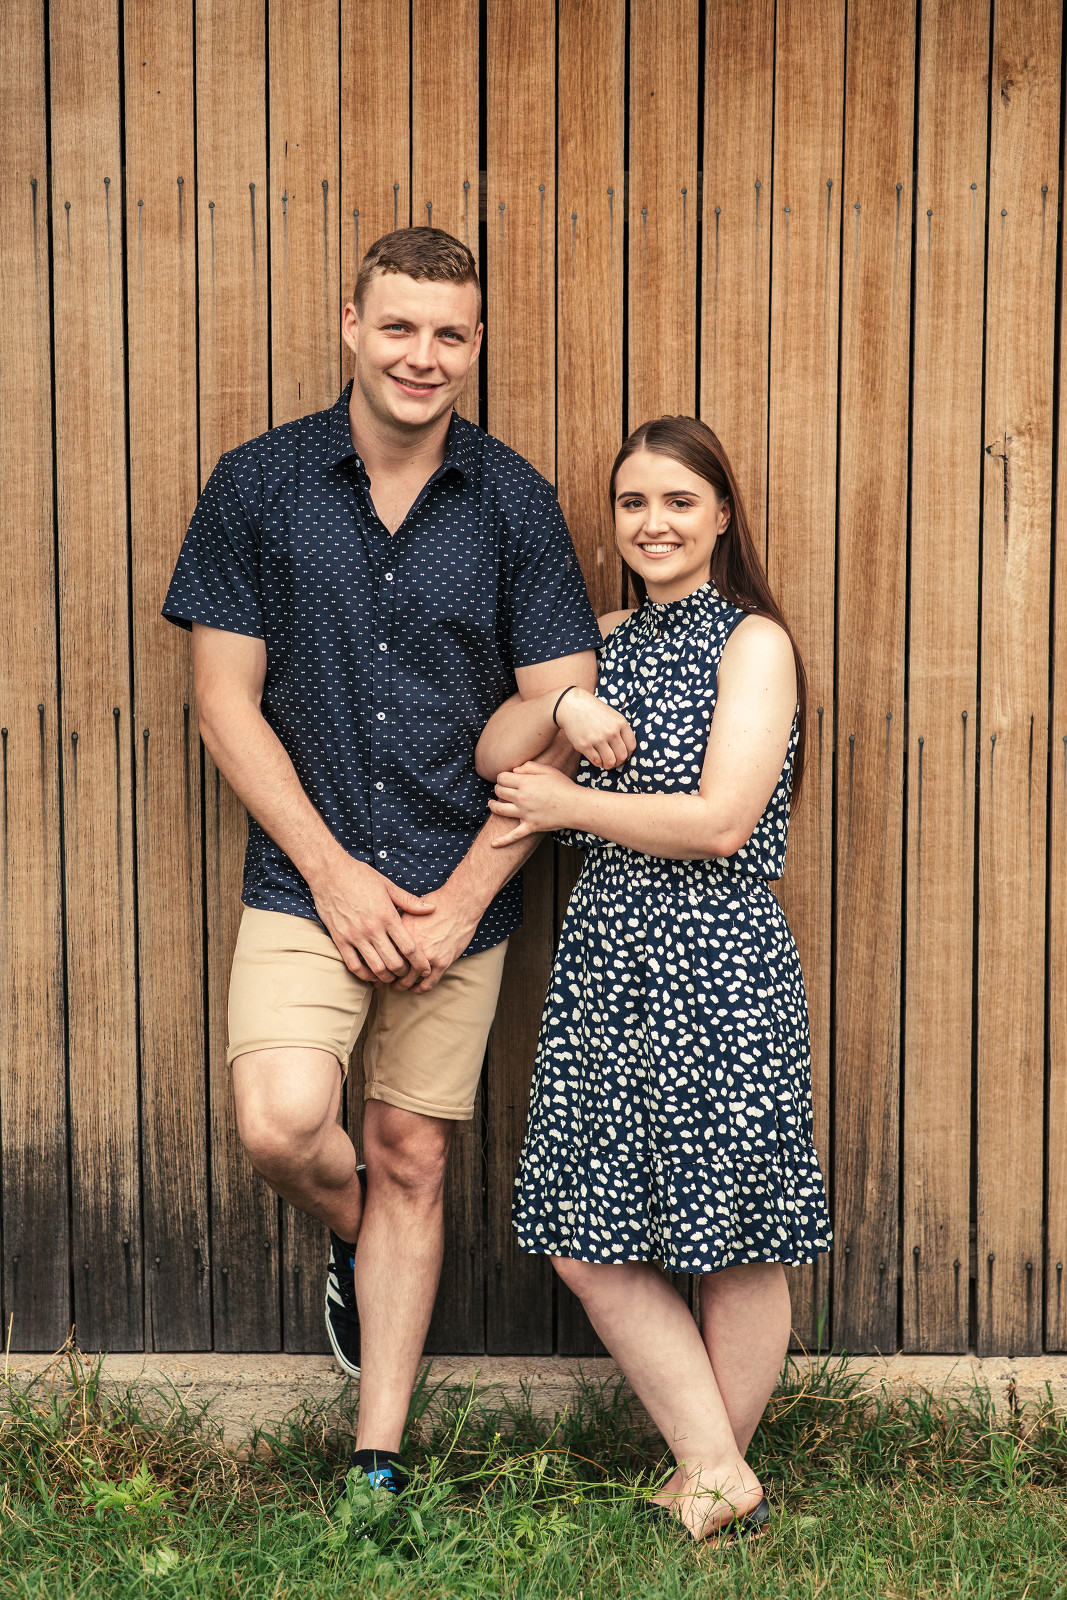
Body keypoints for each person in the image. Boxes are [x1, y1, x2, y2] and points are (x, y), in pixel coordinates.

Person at [162, 228, 603, 1499]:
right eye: (398, 326)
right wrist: (336, 873)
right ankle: (364, 1244)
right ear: (350, 326)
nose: (423, 355)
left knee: (413, 1151)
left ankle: (377, 1463)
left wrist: (462, 899)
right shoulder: (257, 483)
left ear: (476, 345)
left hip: (464, 878)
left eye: (449, 333)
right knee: (283, 1120)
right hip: (310, 875)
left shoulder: (513, 499)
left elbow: (560, 708)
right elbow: (223, 702)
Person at [476, 415, 832, 1541]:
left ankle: (710, 1479)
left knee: (734, 1237)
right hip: (608, 961)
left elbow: (722, 822)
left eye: (678, 501)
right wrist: (561, 704)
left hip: (718, 965)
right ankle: (718, 1469)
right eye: (633, 502)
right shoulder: (598, 640)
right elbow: (494, 752)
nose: (654, 523)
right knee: (587, 1234)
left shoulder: (752, 643)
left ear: (721, 514)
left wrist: (568, 803)